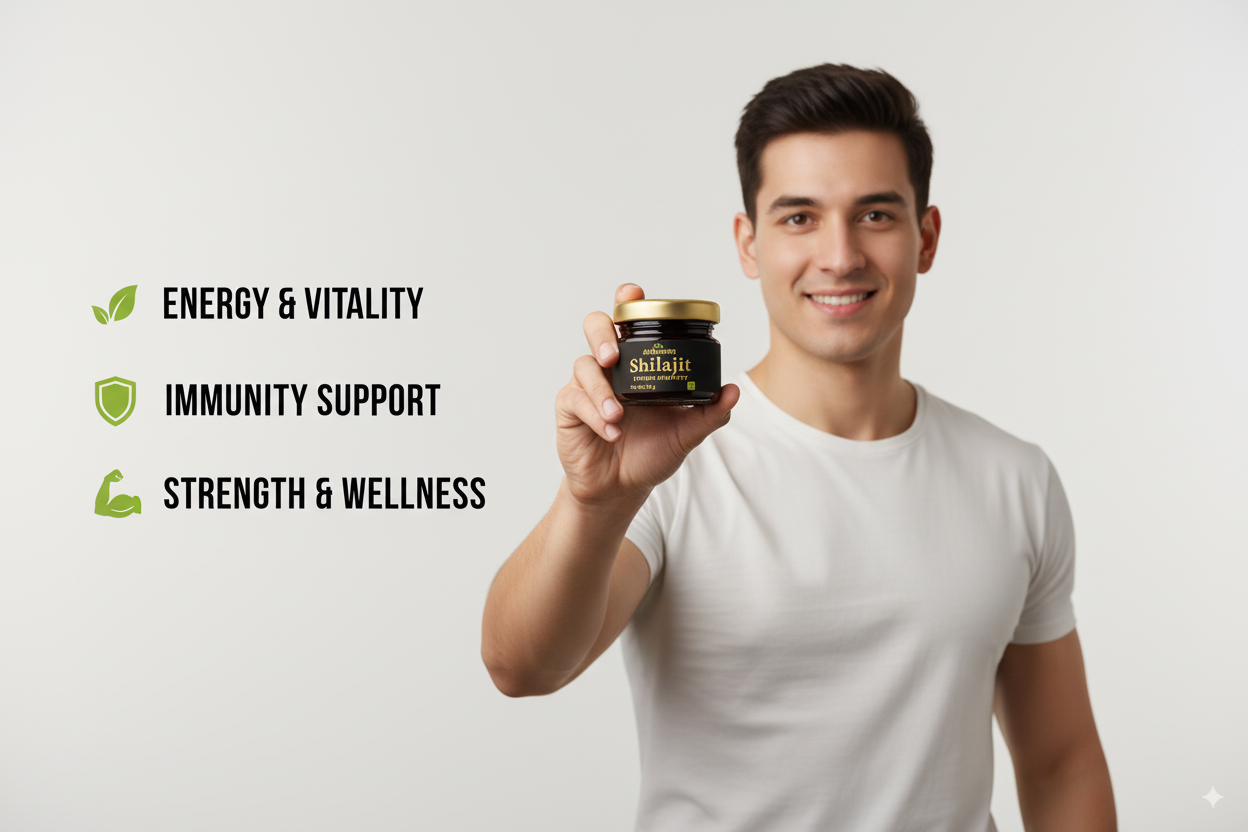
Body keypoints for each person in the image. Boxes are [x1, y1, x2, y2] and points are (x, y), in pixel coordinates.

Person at [481, 63, 1115, 831]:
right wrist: (594, 498)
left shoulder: (1015, 478)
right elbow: (521, 666)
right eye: (799, 217)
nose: (840, 255)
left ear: (927, 236)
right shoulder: (674, 468)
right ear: (748, 244)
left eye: (876, 215)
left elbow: (1061, 765)